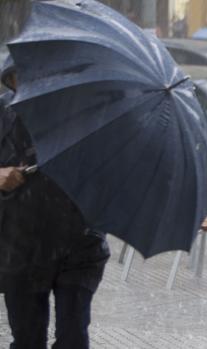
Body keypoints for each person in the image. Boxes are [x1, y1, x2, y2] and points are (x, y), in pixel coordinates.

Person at [0, 58, 110, 348]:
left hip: (79, 246)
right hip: (19, 248)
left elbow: (112, 172)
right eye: (19, 79)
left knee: (73, 338)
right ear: (10, 81)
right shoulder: (2, 115)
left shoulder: (88, 115)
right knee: (27, 340)